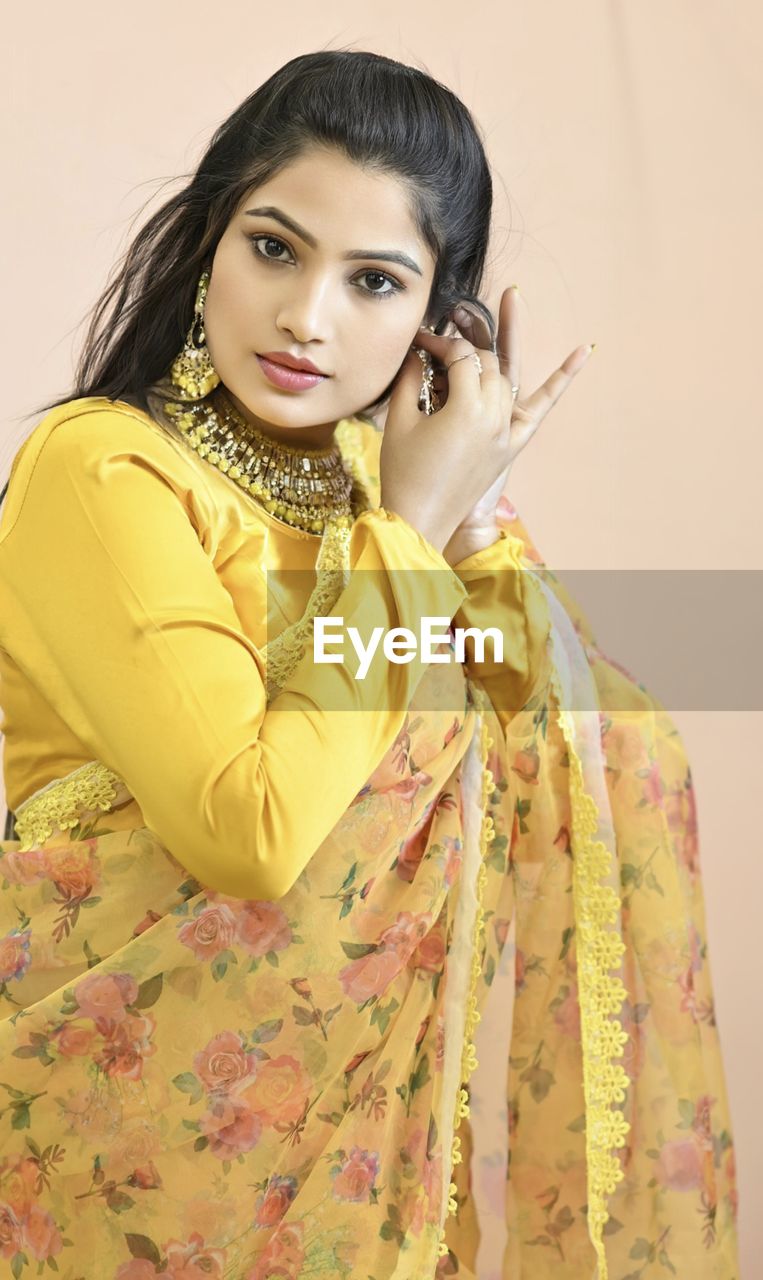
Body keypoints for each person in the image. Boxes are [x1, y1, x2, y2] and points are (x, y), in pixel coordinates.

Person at [0, 49, 739, 1280]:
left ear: (432, 321)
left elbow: (575, 752)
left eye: (375, 280)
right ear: (207, 243)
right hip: (111, 1165)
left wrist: (471, 517)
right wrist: (408, 541)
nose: (308, 317)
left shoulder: (385, 503)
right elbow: (250, 829)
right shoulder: (104, 470)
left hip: (368, 1176)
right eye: (274, 248)